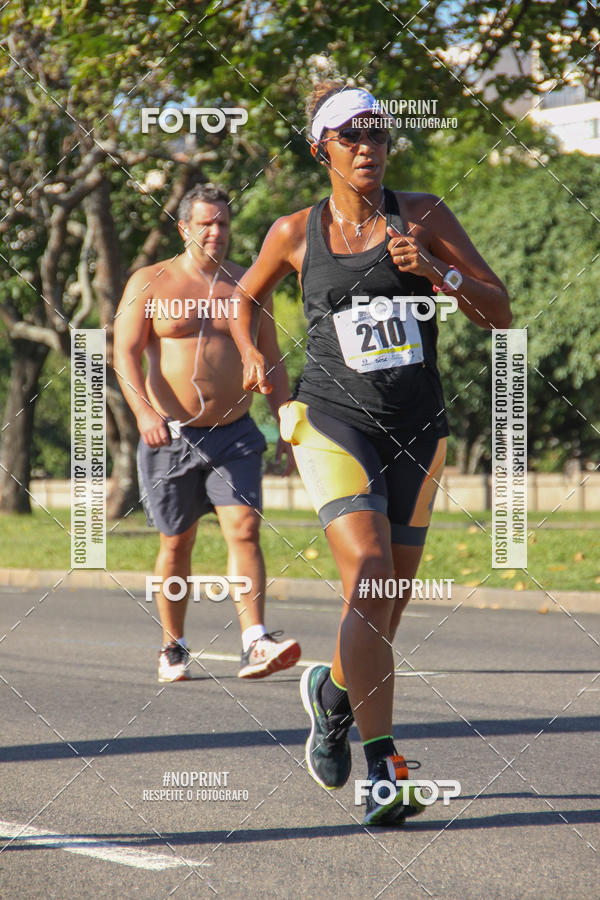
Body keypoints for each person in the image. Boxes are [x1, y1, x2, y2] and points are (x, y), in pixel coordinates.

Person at [229, 83, 511, 825]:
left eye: (379, 135)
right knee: (372, 578)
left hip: (419, 427)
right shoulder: (295, 232)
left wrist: (437, 273)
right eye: (351, 136)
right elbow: (246, 300)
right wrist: (260, 363)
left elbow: (500, 310)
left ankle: (331, 696)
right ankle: (384, 768)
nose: (369, 147)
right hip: (331, 420)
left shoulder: (422, 215)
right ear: (321, 147)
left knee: (386, 607)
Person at [113, 183, 300, 683]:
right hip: (169, 436)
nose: (216, 232)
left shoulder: (248, 285)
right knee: (177, 543)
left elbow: (272, 360)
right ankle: (172, 647)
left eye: (223, 223)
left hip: (234, 433)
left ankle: (254, 640)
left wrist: (285, 422)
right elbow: (124, 354)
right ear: (184, 227)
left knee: (245, 529)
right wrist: (144, 413)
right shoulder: (150, 282)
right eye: (205, 224)